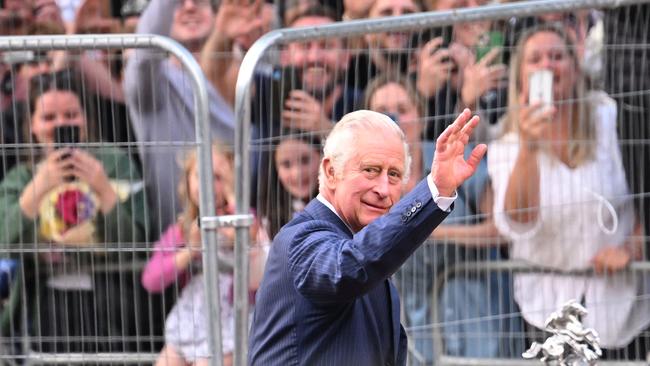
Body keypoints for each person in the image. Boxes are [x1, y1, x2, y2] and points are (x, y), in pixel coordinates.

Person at [248, 108, 486, 365]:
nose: (383, 189)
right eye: (371, 170)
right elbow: (349, 267)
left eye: (394, 175)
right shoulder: (300, 239)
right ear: (330, 172)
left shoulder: (369, 253)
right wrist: (434, 191)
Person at [488, 25, 650, 359]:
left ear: (575, 69)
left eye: (557, 56)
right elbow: (518, 222)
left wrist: (634, 246)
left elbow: (643, 186)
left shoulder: (610, 119)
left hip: (623, 304)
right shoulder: (506, 144)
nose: (548, 65)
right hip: (549, 312)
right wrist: (529, 150)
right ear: (520, 78)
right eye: (535, 59)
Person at [365, 74, 521, 362]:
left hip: (477, 313)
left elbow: (502, 227)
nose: (393, 117)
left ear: (421, 118)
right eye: (382, 111)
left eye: (403, 108)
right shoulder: (366, 183)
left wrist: (428, 231)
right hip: (409, 321)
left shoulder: (452, 161)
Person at [0, 69, 148, 353]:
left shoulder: (114, 163)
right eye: (48, 117)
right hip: (41, 303)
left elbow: (138, 244)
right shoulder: (21, 177)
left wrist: (103, 189)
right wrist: (37, 189)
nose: (60, 124)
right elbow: (4, 242)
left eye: (70, 115)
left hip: (108, 299)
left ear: (85, 119)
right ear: (31, 124)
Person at [141, 143, 267, 366]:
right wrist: (191, 250)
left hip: (232, 321)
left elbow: (256, 262)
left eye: (218, 177)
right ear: (188, 181)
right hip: (192, 321)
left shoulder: (245, 218)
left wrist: (235, 209)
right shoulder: (182, 228)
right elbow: (151, 280)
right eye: (201, 175)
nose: (208, 184)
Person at [124, 0, 236, 237]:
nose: (189, 6)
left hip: (240, 239)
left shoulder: (246, 72)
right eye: (178, 2)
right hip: (177, 247)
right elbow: (144, 52)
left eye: (200, 1)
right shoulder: (151, 84)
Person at [257, 130, 322, 239]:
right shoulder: (268, 220)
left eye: (305, 160)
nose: (297, 174)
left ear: (322, 159)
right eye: (286, 164)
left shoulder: (340, 209)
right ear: (275, 170)